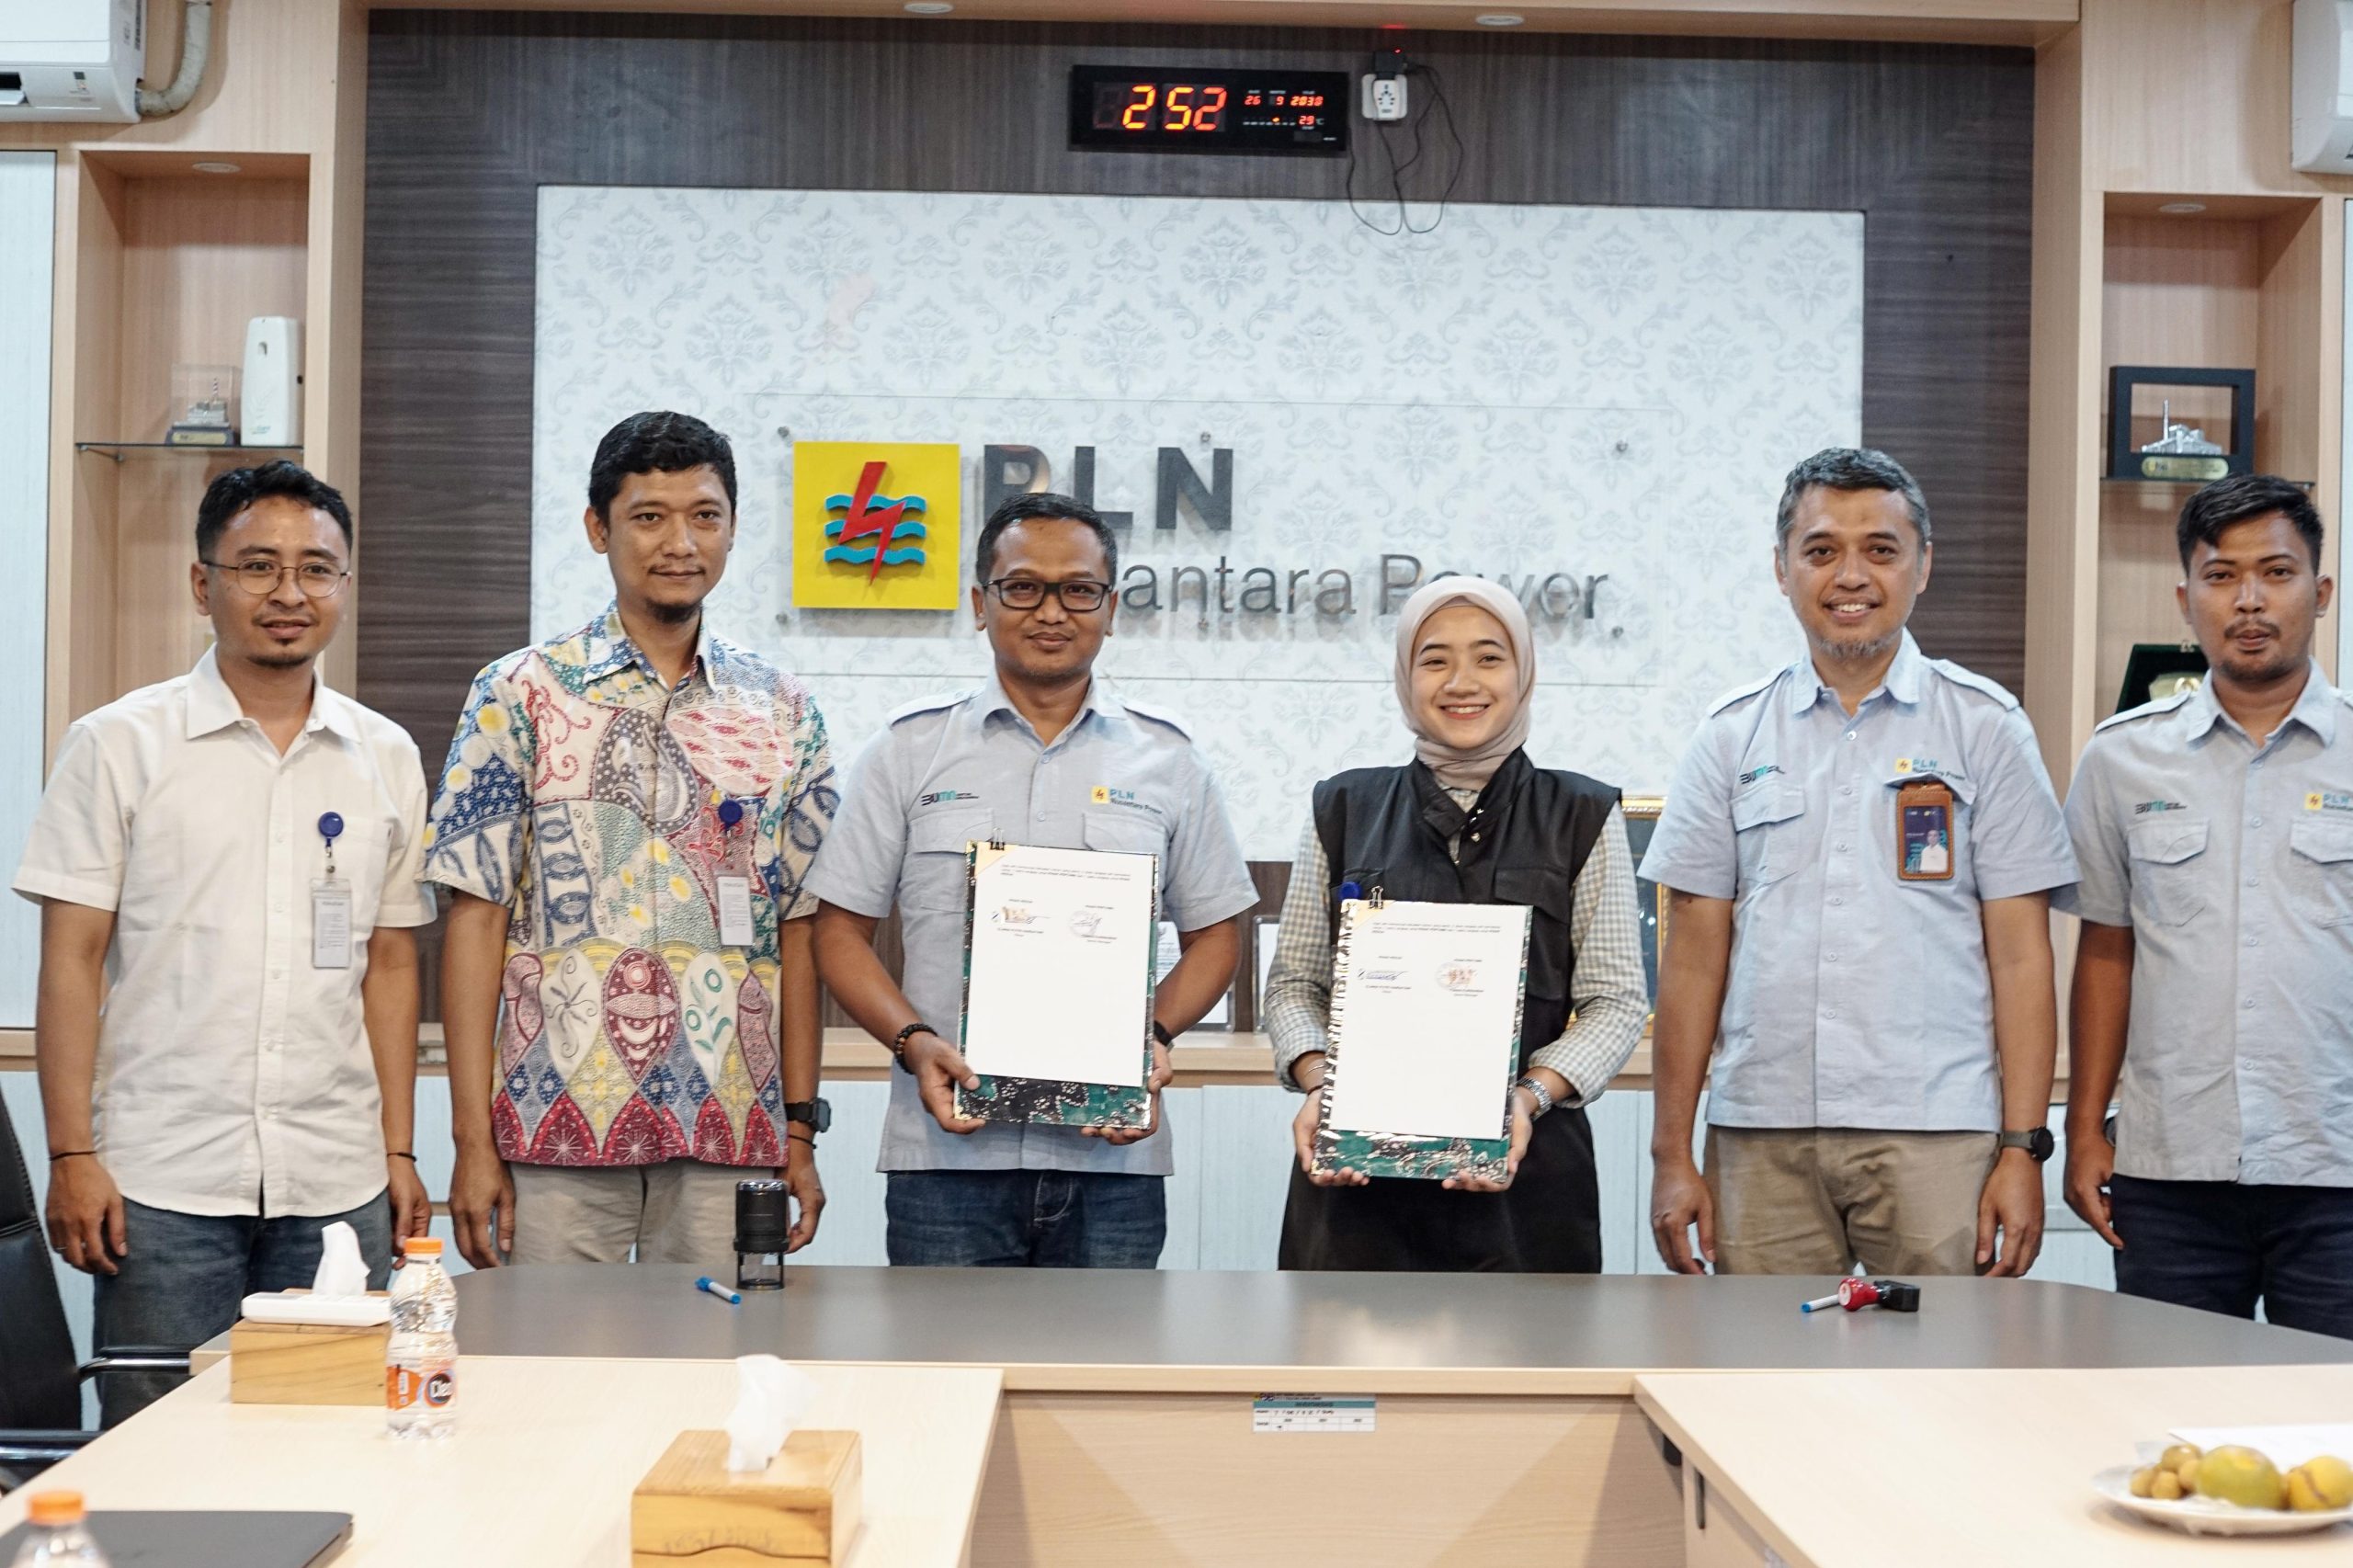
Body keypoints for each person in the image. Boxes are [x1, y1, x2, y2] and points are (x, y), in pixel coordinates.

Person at [15, 461, 434, 1422]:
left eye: (316, 568)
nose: (290, 593)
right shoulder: (117, 744)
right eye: (258, 566)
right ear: (203, 584)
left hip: (335, 1175)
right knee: (155, 1449)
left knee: (333, 1441)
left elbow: (390, 963)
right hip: (163, 1181)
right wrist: (72, 1152)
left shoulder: (386, 754)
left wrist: (399, 1151)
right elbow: (71, 960)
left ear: (344, 584)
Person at [1643, 448, 2075, 1278]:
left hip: (1939, 1134)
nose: (1850, 576)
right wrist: (1671, 1154)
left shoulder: (1986, 727)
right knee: (1757, 1360)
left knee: (1942, 1359)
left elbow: (2023, 958)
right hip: (1761, 1133)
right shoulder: (1730, 735)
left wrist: (2023, 1149)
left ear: (1923, 566)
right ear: (1782, 569)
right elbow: (1693, 958)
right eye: (1821, 551)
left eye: (1881, 550)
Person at [426, 412, 835, 1273]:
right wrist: (470, 1142)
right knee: (551, 1358)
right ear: (597, 528)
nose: (680, 543)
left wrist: (798, 1129)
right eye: (649, 516)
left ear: (732, 527)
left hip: (732, 1128)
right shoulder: (520, 692)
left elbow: (800, 929)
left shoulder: (784, 708)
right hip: (552, 1129)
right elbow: (474, 919)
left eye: (705, 516)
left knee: (725, 1354)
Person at [810, 492, 1256, 1267]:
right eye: (1022, 587)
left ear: (1111, 608)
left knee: (1108, 1353)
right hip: (945, 1157)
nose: (1051, 611)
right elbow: (839, 931)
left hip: (1112, 1159)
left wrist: (1148, 1039)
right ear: (980, 603)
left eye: (1078, 590)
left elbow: (1218, 935)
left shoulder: (1169, 759)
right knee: (938, 1351)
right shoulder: (909, 751)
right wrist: (914, 1044)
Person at [1264, 576, 1648, 1271]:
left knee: (1526, 1345)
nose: (1462, 682)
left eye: (1489, 657)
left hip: (1527, 1185)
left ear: (1523, 672)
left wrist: (1528, 1099)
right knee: (1343, 1341)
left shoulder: (1584, 814)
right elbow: (1295, 984)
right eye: (1435, 659)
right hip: (1357, 1184)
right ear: (1405, 677)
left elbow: (1615, 1001)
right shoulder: (1342, 808)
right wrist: (1323, 1085)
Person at [2058, 474, 2353, 1336]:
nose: (2249, 601)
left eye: (2277, 573)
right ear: (2186, 600)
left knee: (2331, 1409)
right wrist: (2084, 1129)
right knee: (2167, 1398)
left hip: (2336, 1164)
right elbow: (2106, 953)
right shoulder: (2121, 760)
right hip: (2171, 1169)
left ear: (2320, 592)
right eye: (2222, 577)